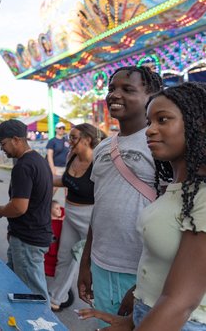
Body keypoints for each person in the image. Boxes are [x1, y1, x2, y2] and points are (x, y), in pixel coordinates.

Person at [79, 82, 206, 330]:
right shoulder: (179, 188)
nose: (150, 130)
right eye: (149, 122)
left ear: (198, 124)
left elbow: (180, 302)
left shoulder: (202, 195)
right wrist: (132, 318)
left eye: (163, 119)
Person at [77, 66, 163, 320]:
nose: (115, 95)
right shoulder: (103, 147)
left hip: (144, 271)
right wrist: (86, 262)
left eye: (127, 89)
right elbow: (99, 207)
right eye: (112, 89)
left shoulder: (159, 144)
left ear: (151, 96)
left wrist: (145, 284)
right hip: (102, 264)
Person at [0, 119, 53, 302]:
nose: (2, 149)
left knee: (33, 295)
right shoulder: (38, 161)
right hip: (30, 235)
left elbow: (19, 207)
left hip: (28, 239)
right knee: (18, 287)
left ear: (16, 139)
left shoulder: (23, 166)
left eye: (3, 144)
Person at [48, 123, 105, 312]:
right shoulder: (71, 156)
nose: (69, 141)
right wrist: (40, 182)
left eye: (73, 138)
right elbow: (66, 181)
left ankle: (104, 305)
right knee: (65, 258)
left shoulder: (99, 162)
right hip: (70, 213)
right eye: (69, 137)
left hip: (90, 217)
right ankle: (56, 298)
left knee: (93, 263)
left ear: (87, 139)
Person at [46, 122, 70, 195]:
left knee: (68, 188)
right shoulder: (52, 141)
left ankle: (68, 205)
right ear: (56, 129)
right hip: (56, 167)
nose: (61, 130)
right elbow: (49, 155)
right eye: (60, 128)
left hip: (66, 168)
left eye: (63, 128)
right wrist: (52, 168)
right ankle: (47, 203)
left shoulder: (67, 141)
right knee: (54, 188)